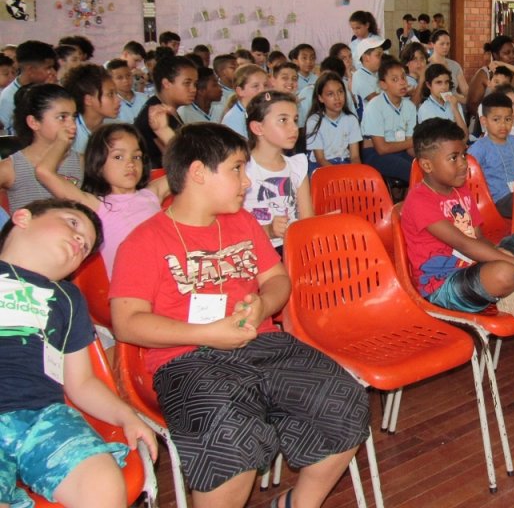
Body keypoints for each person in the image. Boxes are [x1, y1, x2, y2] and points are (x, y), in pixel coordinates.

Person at [110, 123, 369, 508]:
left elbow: (277, 280)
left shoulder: (241, 222)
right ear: (198, 173)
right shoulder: (144, 240)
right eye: (236, 169)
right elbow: (127, 322)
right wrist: (207, 333)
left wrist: (263, 304)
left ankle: (299, 503)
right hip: (187, 358)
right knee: (230, 433)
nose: (246, 182)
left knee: (345, 399)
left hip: (261, 344)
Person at [0, 198, 157, 508]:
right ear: (22, 218)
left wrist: (126, 415)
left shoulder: (68, 299)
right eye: (72, 223)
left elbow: (81, 382)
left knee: (102, 483)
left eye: (85, 246)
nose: (79, 240)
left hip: (44, 418)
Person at [401, 118, 514, 320]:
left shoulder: (461, 189)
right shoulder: (419, 200)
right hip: (443, 283)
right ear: (427, 165)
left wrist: (501, 253)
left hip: (475, 264)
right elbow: (464, 244)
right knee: (505, 273)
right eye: (454, 158)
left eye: (464, 155)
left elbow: (478, 237)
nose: (463, 163)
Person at [35, 122, 170, 278]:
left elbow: (188, 166)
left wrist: (163, 130)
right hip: (134, 287)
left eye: (136, 157)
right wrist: (61, 142)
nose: (130, 164)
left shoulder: (152, 194)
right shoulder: (96, 206)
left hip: (173, 279)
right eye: (118, 157)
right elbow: (44, 172)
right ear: (98, 164)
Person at [243, 91, 313, 250]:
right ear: (258, 128)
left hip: (293, 248)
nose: (294, 128)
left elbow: (306, 221)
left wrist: (321, 222)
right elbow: (230, 228)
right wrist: (268, 230)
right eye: (283, 120)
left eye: (295, 120)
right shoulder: (243, 170)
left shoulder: (297, 166)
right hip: (256, 251)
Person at [0, 84, 83, 213]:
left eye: (74, 117)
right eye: (62, 117)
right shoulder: (12, 168)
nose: (72, 125)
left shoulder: (81, 162)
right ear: (34, 122)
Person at [467, 92, 514, 219]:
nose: (503, 125)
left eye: (507, 119)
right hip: (500, 199)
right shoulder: (479, 148)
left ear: (513, 119)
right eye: (496, 119)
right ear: (484, 121)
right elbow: (469, 177)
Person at [360, 57, 416, 183]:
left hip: (399, 150)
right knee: (410, 170)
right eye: (395, 79)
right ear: (383, 84)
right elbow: (382, 148)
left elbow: (410, 148)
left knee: (425, 168)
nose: (402, 83)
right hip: (374, 153)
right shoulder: (375, 105)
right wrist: (411, 142)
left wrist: (425, 159)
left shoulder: (410, 107)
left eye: (403, 77)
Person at [134, 55, 197, 166]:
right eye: (187, 83)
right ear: (166, 83)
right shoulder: (156, 115)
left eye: (195, 84)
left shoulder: (166, 108)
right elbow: (181, 161)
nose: (193, 89)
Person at [304, 71, 362, 169]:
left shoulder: (351, 119)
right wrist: (340, 175)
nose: (337, 98)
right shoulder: (314, 121)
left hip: (344, 162)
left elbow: (355, 157)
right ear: (320, 98)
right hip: (321, 166)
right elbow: (320, 159)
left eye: (340, 92)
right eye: (330, 94)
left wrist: (355, 172)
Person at [466, 36, 514, 115]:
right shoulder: (484, 73)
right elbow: (471, 105)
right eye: (507, 53)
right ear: (495, 55)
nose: (512, 56)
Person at [0, 40, 57, 134]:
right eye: (48, 68)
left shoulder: (47, 86)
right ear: (30, 70)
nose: (53, 72)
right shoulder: (9, 98)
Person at [61, 64, 121, 154]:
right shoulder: (69, 132)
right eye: (110, 94)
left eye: (116, 93)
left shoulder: (114, 127)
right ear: (88, 100)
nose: (118, 100)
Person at [220, 64, 268, 139]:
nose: (263, 90)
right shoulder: (233, 120)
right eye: (255, 86)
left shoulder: (261, 111)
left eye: (265, 85)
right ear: (240, 91)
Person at [418, 63, 467, 134]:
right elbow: (435, 138)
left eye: (446, 82)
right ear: (428, 85)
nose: (444, 87)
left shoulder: (454, 103)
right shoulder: (425, 109)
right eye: (439, 82)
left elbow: (465, 136)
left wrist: (455, 109)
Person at [351, 36, 388, 117]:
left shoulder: (379, 73)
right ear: (366, 58)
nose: (382, 58)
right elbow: (374, 100)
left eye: (382, 54)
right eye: (378, 55)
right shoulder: (359, 75)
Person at [106, 58, 149, 124]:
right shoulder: (111, 105)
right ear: (111, 81)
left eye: (128, 75)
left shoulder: (144, 98)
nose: (126, 80)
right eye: (119, 77)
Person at [428, 30, 468, 96]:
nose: (445, 47)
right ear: (432, 44)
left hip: (455, 101)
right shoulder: (426, 65)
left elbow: (466, 90)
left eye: (448, 44)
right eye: (442, 44)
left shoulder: (454, 65)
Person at [400, 42, 428, 107]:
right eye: (415, 59)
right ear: (407, 63)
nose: (419, 63)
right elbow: (412, 106)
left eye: (422, 58)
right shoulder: (405, 82)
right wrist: (421, 80)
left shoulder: (427, 80)